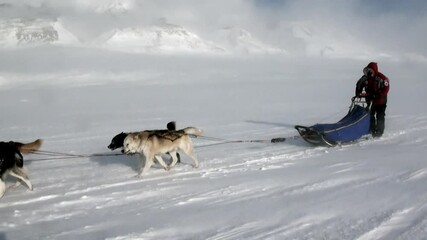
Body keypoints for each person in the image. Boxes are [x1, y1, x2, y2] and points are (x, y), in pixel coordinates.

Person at [355, 62, 390, 137]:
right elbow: (359, 85)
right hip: (370, 100)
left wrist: (378, 94)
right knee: (370, 115)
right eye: (367, 70)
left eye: (370, 70)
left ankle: (379, 132)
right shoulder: (365, 78)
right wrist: (358, 94)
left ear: (374, 70)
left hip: (381, 101)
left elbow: (386, 88)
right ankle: (372, 130)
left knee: (380, 116)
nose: (368, 72)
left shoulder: (381, 78)